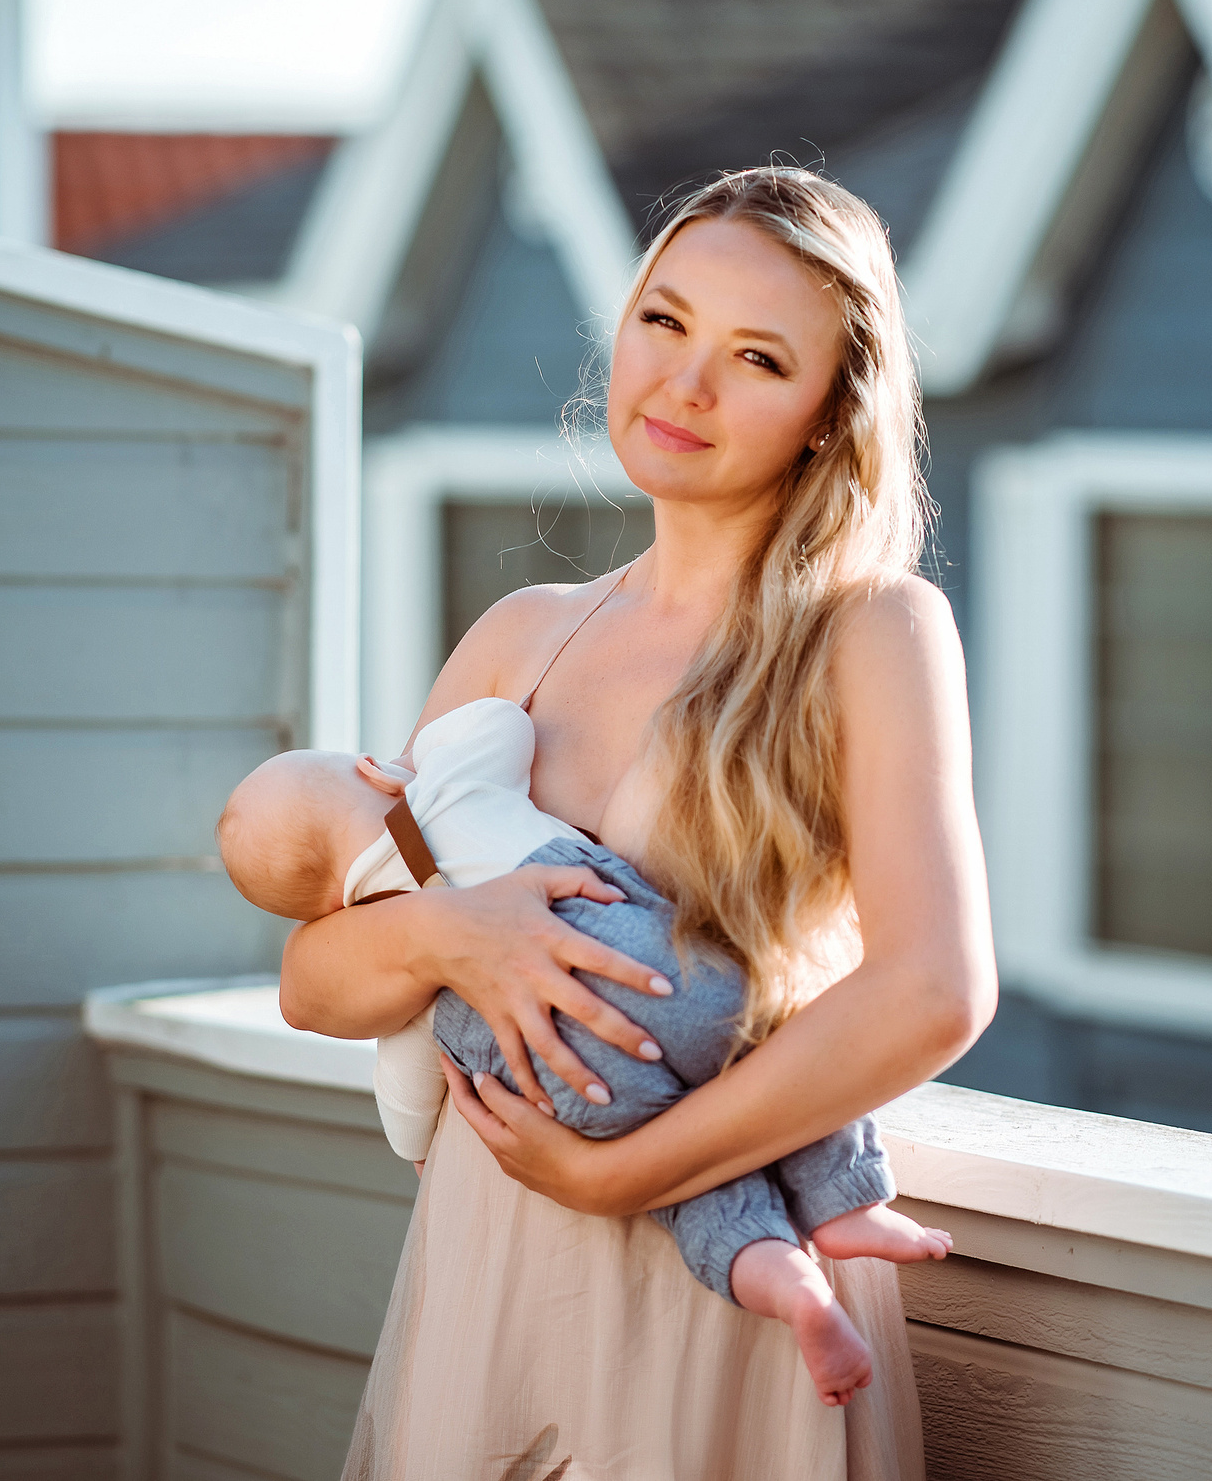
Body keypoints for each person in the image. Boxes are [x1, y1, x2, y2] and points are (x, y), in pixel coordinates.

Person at [278, 166, 996, 1480]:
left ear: (831, 417)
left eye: (757, 357)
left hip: (721, 1280)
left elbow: (936, 989)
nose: (684, 385)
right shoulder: (522, 638)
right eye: (663, 321)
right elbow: (316, 981)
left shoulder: (870, 634)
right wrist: (458, 934)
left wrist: (628, 1175)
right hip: (487, 1263)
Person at [216, 693, 952, 1405]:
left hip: (575, 1084)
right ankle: (842, 1197)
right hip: (649, 973)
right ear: (371, 769)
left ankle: (792, 1288)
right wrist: (413, 765)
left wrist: (415, 1145)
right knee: (771, 1034)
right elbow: (499, 723)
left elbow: (408, 1089)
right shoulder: (448, 787)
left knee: (698, 1194)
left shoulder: (391, 953)